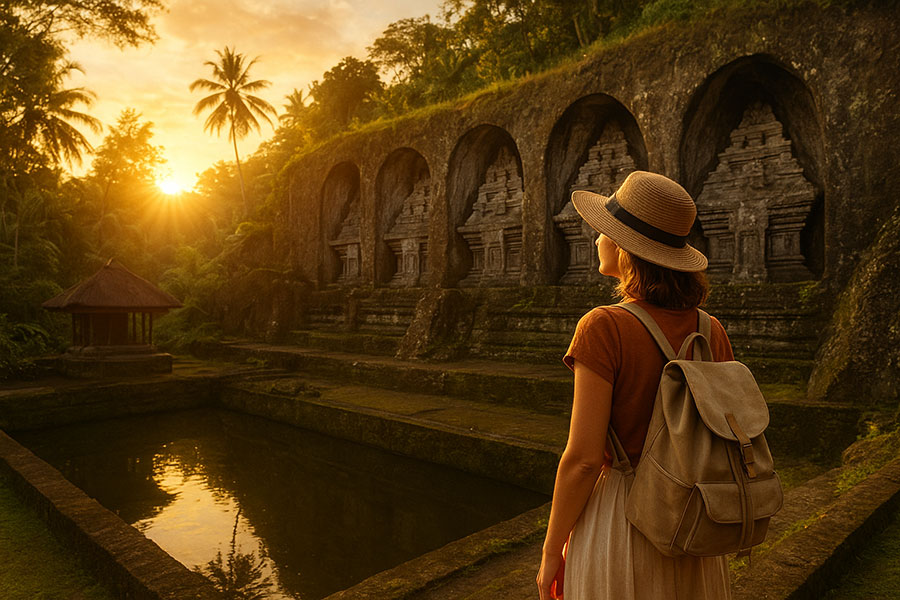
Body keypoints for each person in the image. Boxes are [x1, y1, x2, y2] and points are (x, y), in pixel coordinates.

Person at [536, 171, 733, 600]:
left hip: (625, 519)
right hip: (694, 517)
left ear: (625, 248)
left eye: (604, 232)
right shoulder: (710, 329)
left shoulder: (603, 326)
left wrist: (552, 549)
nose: (596, 240)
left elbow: (585, 460)